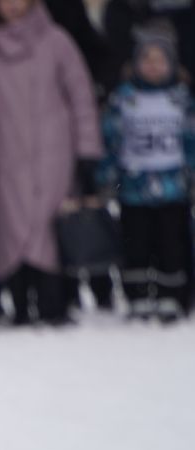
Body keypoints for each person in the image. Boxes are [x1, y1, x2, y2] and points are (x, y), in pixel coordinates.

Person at [0, 0, 102, 326]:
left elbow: (81, 98)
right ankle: (20, 304)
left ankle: (54, 304)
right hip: (2, 157)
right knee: (8, 232)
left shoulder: (57, 42)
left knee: (49, 229)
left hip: (53, 155)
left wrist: (87, 151)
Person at [97, 25, 195, 322]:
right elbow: (110, 137)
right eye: (147, 59)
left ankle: (171, 295)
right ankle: (137, 295)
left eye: (160, 59)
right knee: (135, 243)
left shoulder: (181, 99)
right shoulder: (124, 98)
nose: (153, 66)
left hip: (172, 186)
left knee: (171, 243)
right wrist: (106, 173)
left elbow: (190, 140)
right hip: (133, 187)